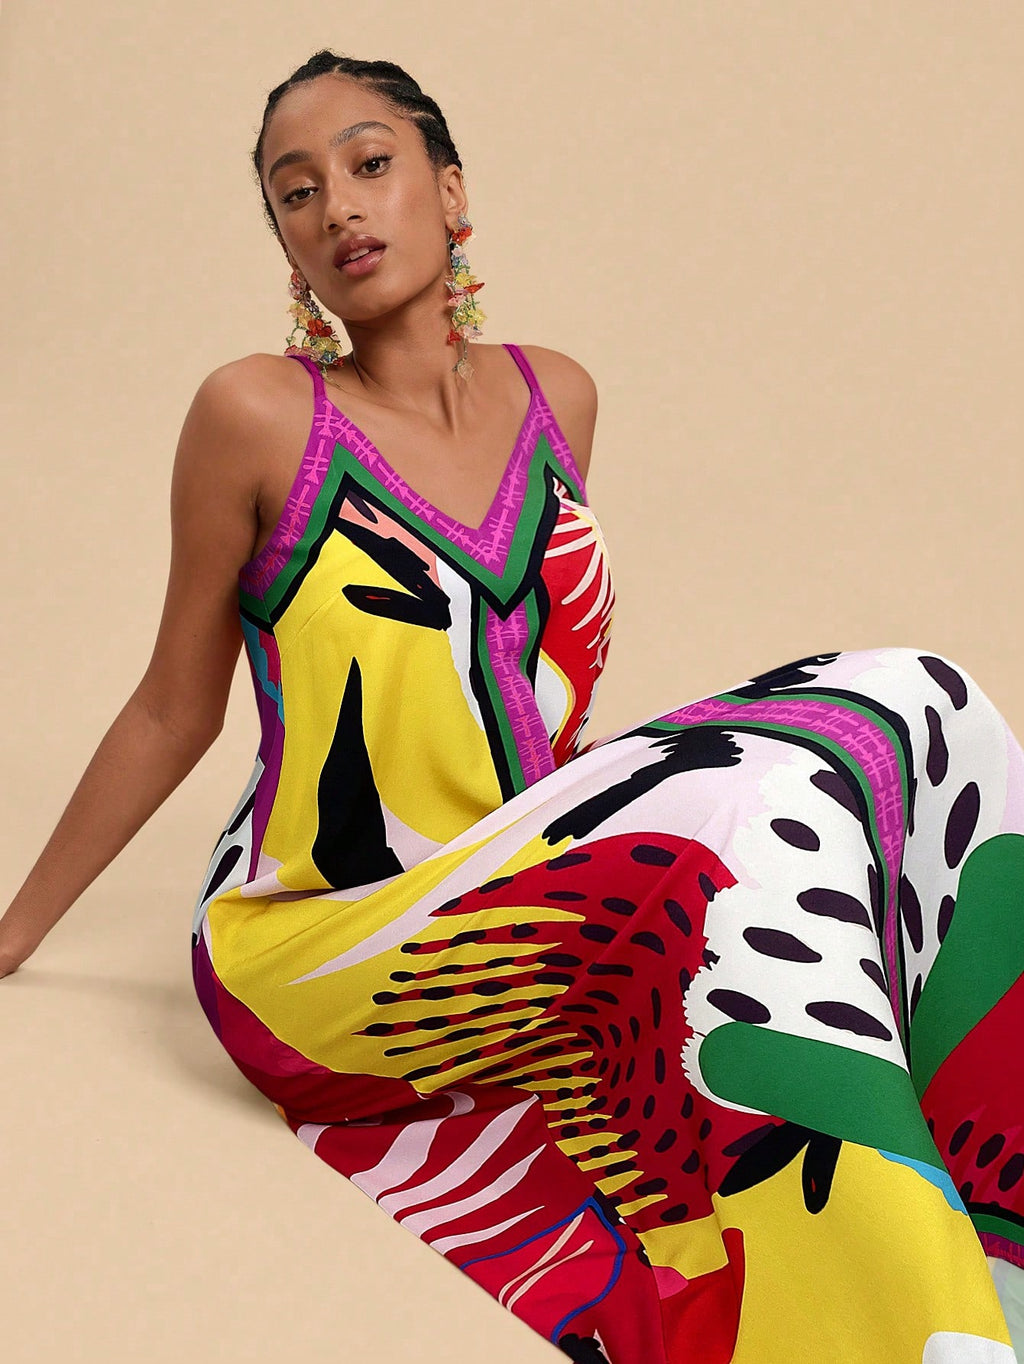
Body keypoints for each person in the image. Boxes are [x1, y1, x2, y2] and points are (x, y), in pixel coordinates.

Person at [3, 47, 1022, 1364]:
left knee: (920, 699)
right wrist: (15, 932)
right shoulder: (256, 415)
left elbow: (533, 689)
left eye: (370, 164)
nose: (337, 206)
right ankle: (907, 1318)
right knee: (755, 811)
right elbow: (171, 709)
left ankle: (998, 1224)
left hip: (516, 870)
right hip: (322, 943)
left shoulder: (560, 397)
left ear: (450, 189)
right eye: (296, 193)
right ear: (287, 245)